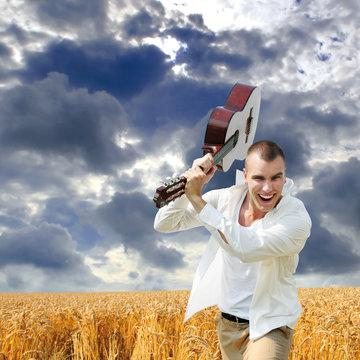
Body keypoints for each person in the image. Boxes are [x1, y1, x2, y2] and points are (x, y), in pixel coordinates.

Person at [154, 140, 311, 359]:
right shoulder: (226, 198)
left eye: (276, 177)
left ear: (284, 177)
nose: (268, 188)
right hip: (228, 326)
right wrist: (187, 181)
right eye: (259, 178)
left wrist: (198, 200)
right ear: (246, 176)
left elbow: (246, 248)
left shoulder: (295, 217)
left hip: (270, 325)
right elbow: (165, 223)